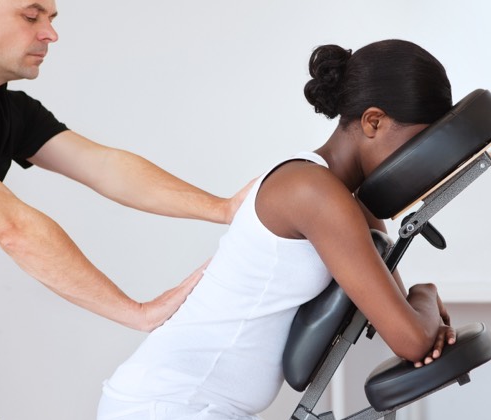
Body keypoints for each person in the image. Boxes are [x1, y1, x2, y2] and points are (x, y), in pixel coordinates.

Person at [97, 39, 457, 420]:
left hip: (200, 406)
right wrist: (426, 293)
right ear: (373, 122)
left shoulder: (350, 201)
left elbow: (399, 318)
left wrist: (418, 308)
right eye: (416, 144)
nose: (419, 164)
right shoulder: (313, 191)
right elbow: (414, 340)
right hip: (168, 405)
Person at [0, 0, 252, 418]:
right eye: (31, 16)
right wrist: (137, 312)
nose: (50, 34)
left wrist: (224, 209)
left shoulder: (8, 112)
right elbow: (12, 226)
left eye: (50, 18)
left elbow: (105, 167)